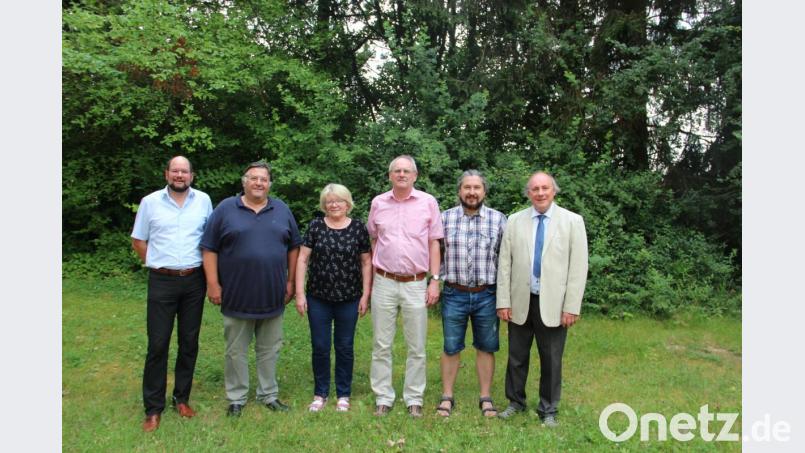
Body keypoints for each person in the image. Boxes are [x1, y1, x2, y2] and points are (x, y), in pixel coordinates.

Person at [200, 161, 302, 417]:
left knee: (270, 349)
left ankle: (269, 394)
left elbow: (294, 247)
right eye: (254, 178)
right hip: (236, 294)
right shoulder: (226, 209)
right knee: (235, 350)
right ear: (244, 181)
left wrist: (290, 282)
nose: (259, 183)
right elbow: (209, 247)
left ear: (269, 184)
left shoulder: (281, 208)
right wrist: (212, 283)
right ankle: (236, 397)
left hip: (273, 293)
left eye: (264, 179)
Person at [496, 171, 588, 427]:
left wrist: (571, 306)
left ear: (554, 191)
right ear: (528, 194)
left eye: (544, 188)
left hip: (555, 304)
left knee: (551, 359)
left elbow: (578, 268)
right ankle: (515, 401)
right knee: (516, 356)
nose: (540, 193)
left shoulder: (572, 221)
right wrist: (503, 301)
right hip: (519, 301)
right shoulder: (514, 221)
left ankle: (548, 409)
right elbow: (505, 264)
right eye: (534, 189)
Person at [131, 156, 213, 432]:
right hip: (162, 280)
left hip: (194, 280)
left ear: (192, 175)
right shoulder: (150, 202)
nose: (180, 175)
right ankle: (153, 408)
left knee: (189, 342)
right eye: (175, 171)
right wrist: (158, 261)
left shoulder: (204, 201)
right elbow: (138, 240)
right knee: (158, 344)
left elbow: (210, 241)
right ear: (167, 173)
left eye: (185, 171)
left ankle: (181, 398)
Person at [366, 155, 444, 418]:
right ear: (390, 176)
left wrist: (435, 280)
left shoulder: (428, 202)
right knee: (381, 344)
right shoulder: (378, 203)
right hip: (384, 281)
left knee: (417, 346)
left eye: (406, 171)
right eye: (397, 171)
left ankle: (414, 398)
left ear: (415, 175)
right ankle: (383, 397)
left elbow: (434, 243)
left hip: (416, 283)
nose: (401, 174)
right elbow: (374, 239)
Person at [294, 184, 372, 413]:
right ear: (324, 205)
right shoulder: (316, 226)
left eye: (339, 200)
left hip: (349, 298)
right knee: (320, 346)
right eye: (329, 201)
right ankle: (320, 393)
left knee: (345, 346)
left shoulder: (358, 228)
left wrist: (366, 294)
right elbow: (302, 260)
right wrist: (300, 294)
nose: (334, 204)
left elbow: (366, 262)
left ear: (347, 203)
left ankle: (343, 394)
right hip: (318, 298)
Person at [436, 170, 507, 418]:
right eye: (467, 187)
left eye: (477, 187)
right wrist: (434, 281)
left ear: (484, 192)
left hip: (486, 294)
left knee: (486, 347)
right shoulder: (444, 219)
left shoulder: (498, 220)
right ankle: (447, 396)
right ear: (459, 191)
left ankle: (485, 397)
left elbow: (505, 259)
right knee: (451, 346)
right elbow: (436, 254)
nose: (472, 192)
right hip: (454, 292)